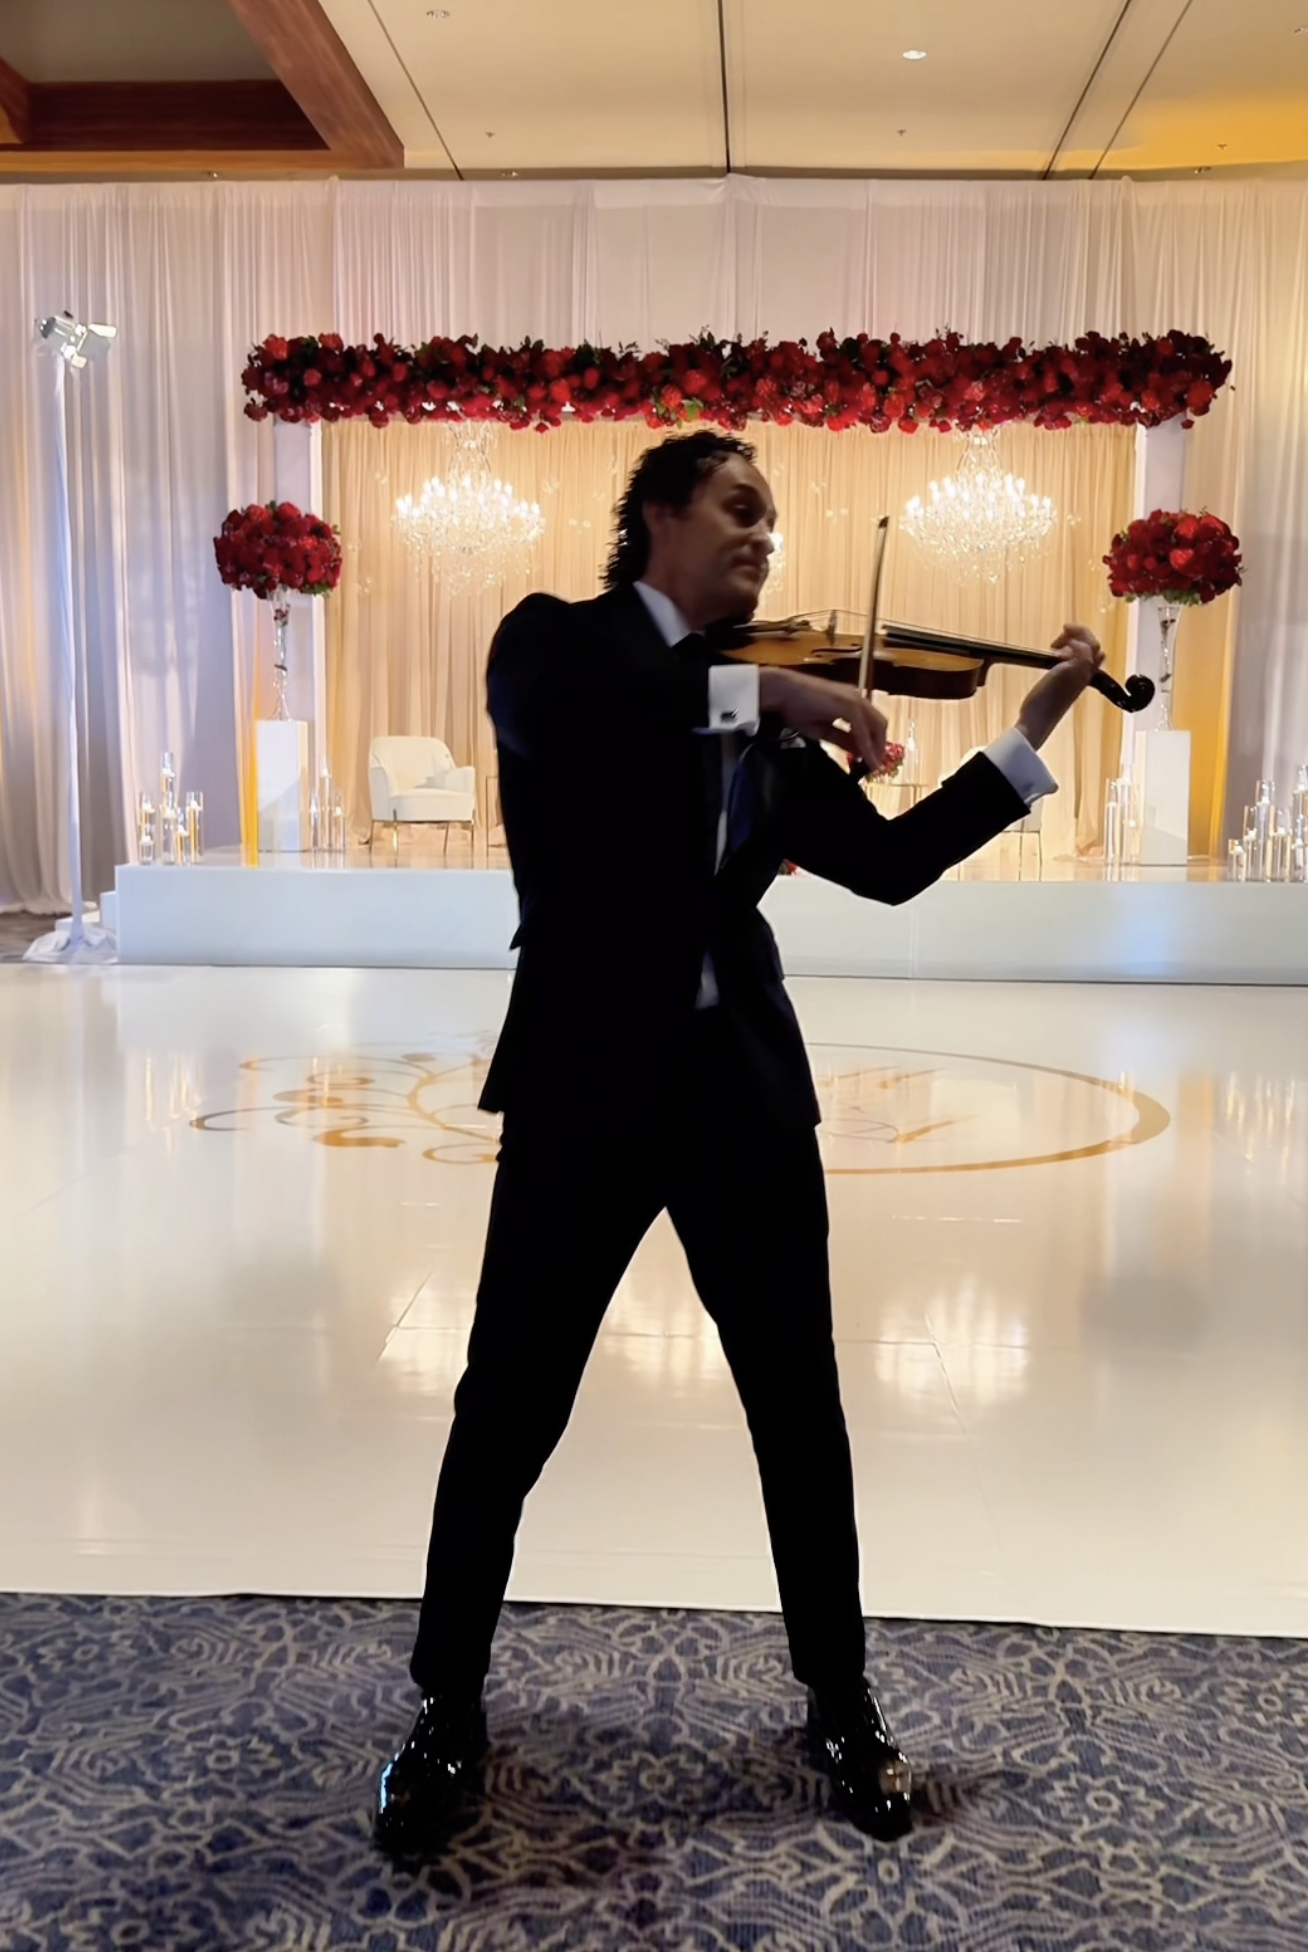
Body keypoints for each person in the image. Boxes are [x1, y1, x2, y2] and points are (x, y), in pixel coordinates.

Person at [375, 430, 1103, 1857]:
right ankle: (445, 1706)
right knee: (506, 1405)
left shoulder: (759, 725)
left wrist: (1044, 723)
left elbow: (891, 867)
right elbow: (584, 707)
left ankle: (840, 1700)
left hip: (739, 1100)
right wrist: (765, 681)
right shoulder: (559, 645)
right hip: (585, 1090)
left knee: (798, 1407)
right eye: (739, 508)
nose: (765, 535)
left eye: (773, 518)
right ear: (656, 515)